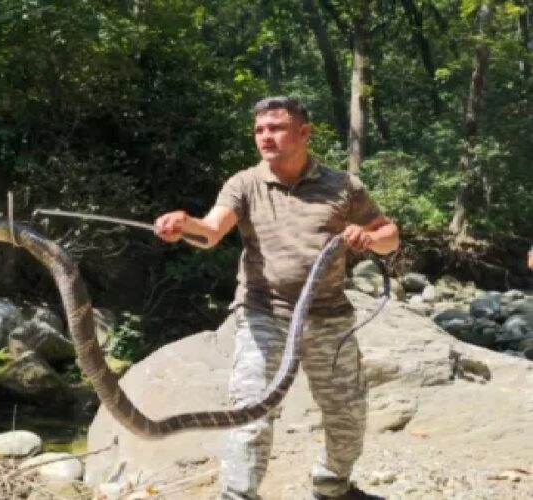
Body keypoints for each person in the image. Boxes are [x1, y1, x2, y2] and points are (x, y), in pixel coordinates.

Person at [154, 96, 399, 500]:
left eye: (276, 128)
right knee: (250, 412)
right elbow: (212, 231)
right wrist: (184, 225)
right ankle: (237, 494)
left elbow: (390, 238)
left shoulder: (343, 185)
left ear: (303, 133)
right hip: (263, 314)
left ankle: (331, 487)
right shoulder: (244, 183)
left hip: (329, 318)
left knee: (346, 414)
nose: (265, 136)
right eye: (259, 130)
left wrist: (369, 238)